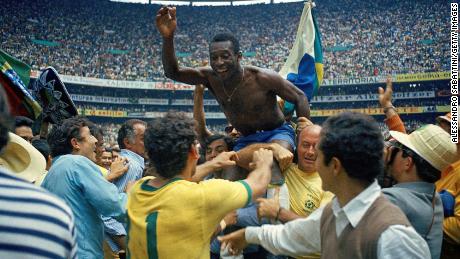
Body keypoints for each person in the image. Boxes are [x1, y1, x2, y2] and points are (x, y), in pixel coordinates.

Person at [219, 112, 430, 258]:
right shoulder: (335, 211)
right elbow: (295, 235)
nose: (312, 158)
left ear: (335, 166)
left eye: (319, 154)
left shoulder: (395, 238)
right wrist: (247, 235)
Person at [156, 7, 309, 178]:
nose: (219, 62)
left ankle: (275, 205)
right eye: (214, 58)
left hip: (277, 134)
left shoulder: (262, 78)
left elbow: (300, 97)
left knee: (271, 162)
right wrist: (168, 37)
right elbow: (173, 72)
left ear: (239, 56)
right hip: (245, 139)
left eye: (225, 56)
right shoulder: (209, 78)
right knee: (228, 177)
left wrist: (302, 135)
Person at [126, 111, 274, 258]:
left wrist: (212, 164)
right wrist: (264, 162)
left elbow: (176, 182)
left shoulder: (136, 189)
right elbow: (258, 184)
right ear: (194, 152)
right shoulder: (203, 194)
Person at [0, 86, 77, 258]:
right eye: (22, 140)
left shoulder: (54, 210)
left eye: (29, 139)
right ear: (8, 138)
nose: (28, 145)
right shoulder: (54, 213)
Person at [41, 116, 126, 258]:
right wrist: (136, 195)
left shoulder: (54, 170)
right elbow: (113, 204)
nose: (96, 140)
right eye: (90, 135)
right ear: (75, 143)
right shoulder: (77, 163)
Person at [384, 125, 457, 259]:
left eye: (399, 148)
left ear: (408, 163)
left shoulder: (390, 200)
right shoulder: (434, 197)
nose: (392, 152)